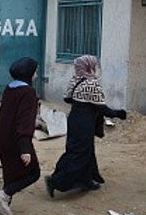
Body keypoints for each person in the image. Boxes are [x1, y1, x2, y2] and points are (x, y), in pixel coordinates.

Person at [45, 55, 126, 197]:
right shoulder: (92, 83)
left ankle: (87, 181)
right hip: (85, 123)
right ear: (90, 67)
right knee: (80, 154)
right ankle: (56, 181)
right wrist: (120, 114)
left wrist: (82, 101)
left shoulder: (76, 79)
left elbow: (67, 98)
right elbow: (103, 109)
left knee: (78, 150)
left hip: (74, 119)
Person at [0, 57, 41, 215]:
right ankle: (4, 194)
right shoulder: (28, 92)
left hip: (2, 136)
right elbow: (24, 120)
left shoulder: (10, 88)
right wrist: (25, 148)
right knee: (33, 173)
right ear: (28, 73)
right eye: (35, 71)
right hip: (17, 140)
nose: (37, 74)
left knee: (11, 173)